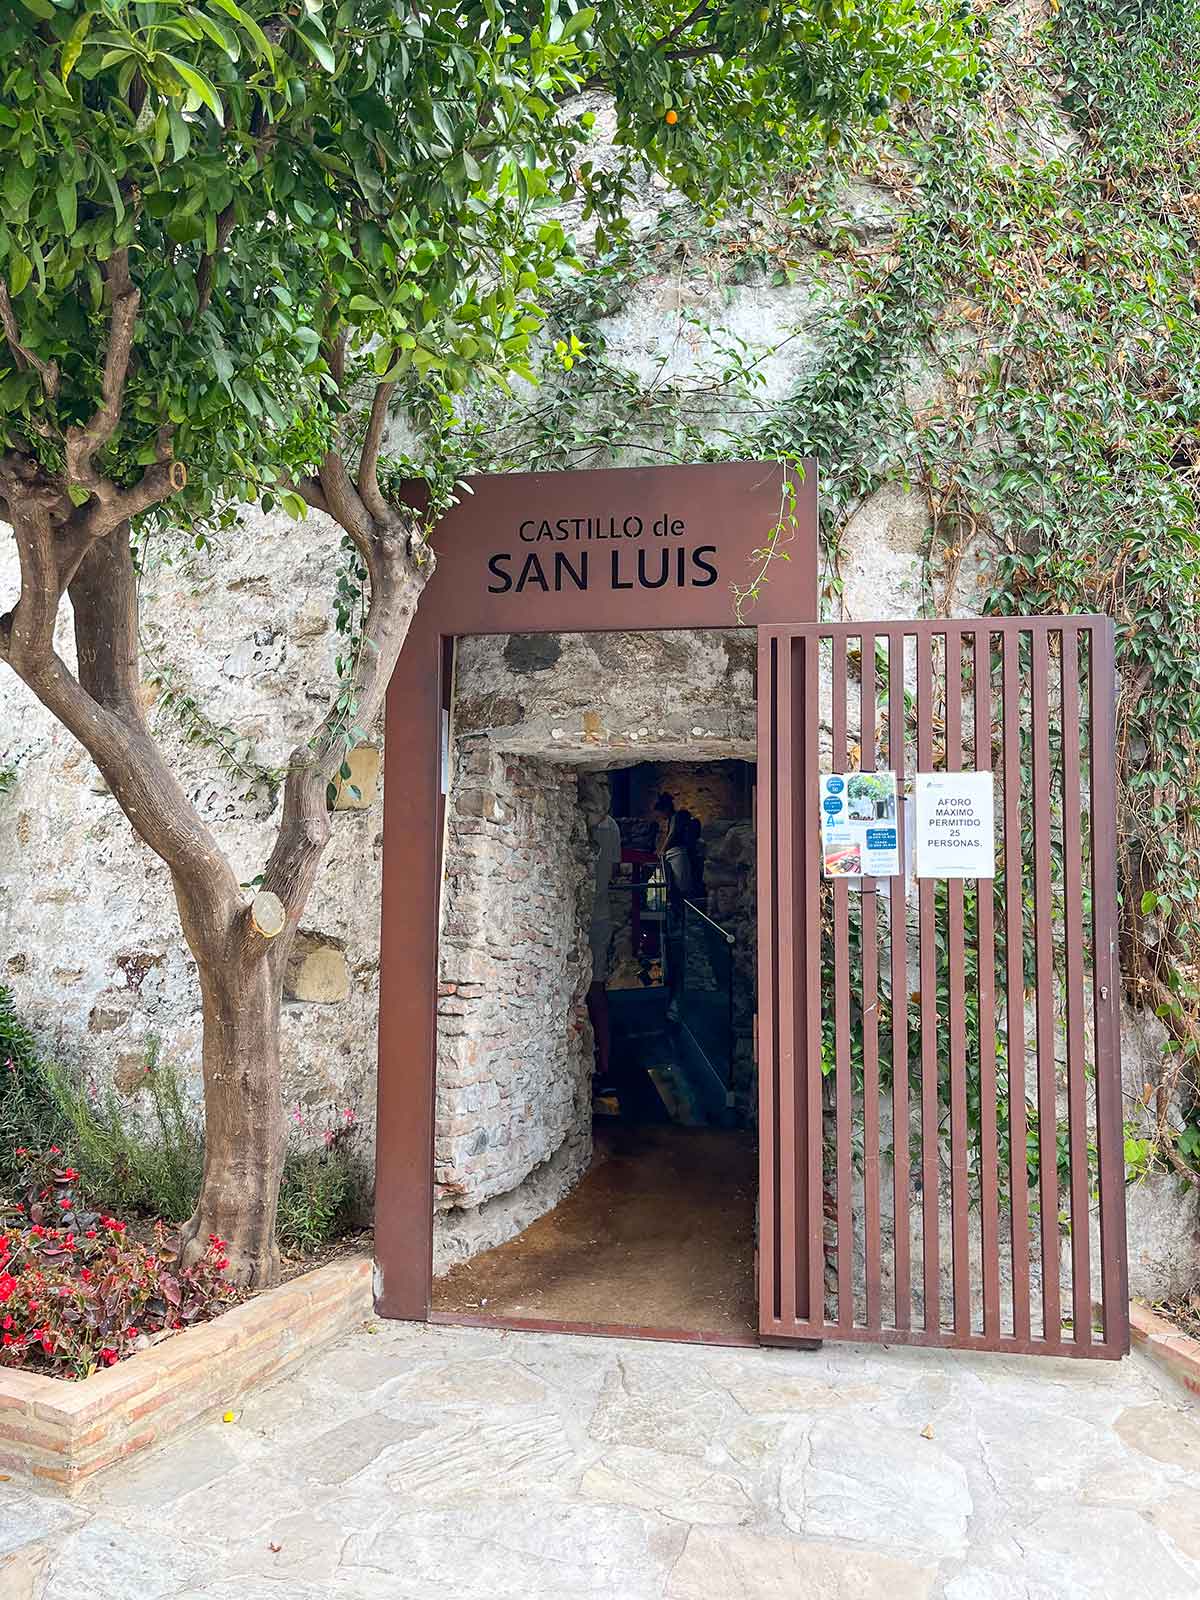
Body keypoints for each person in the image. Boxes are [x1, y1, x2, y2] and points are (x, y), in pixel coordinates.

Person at [581, 774, 622, 1086]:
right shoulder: (613, 828)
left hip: (592, 917)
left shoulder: (590, 825)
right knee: (596, 991)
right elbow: (616, 871)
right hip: (602, 914)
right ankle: (603, 1061)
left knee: (592, 993)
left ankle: (601, 1063)